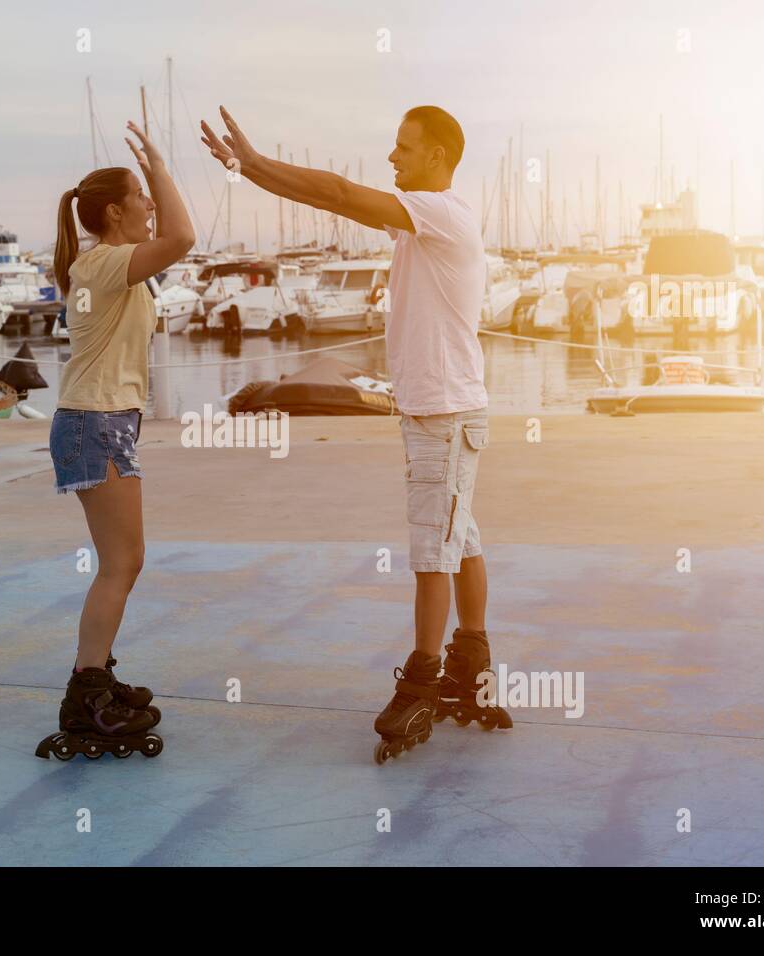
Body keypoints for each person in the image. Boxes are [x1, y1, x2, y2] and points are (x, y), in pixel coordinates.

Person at [200, 105, 510, 760]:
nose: (392, 159)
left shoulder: (441, 214)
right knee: (458, 533)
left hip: (445, 413)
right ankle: (470, 663)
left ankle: (425, 678)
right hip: (440, 410)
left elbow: (339, 196)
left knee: (433, 547)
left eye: (404, 148)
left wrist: (254, 166)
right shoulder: (422, 224)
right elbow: (339, 202)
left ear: (439, 156)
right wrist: (249, 170)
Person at [46, 121, 195, 750]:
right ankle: (86, 695)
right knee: (121, 563)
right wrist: (161, 162)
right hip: (94, 424)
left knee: (122, 562)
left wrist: (154, 177)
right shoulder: (105, 263)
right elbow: (183, 237)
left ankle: (95, 678)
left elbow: (170, 237)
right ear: (114, 211)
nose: (151, 206)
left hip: (102, 423)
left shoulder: (107, 265)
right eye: (141, 197)